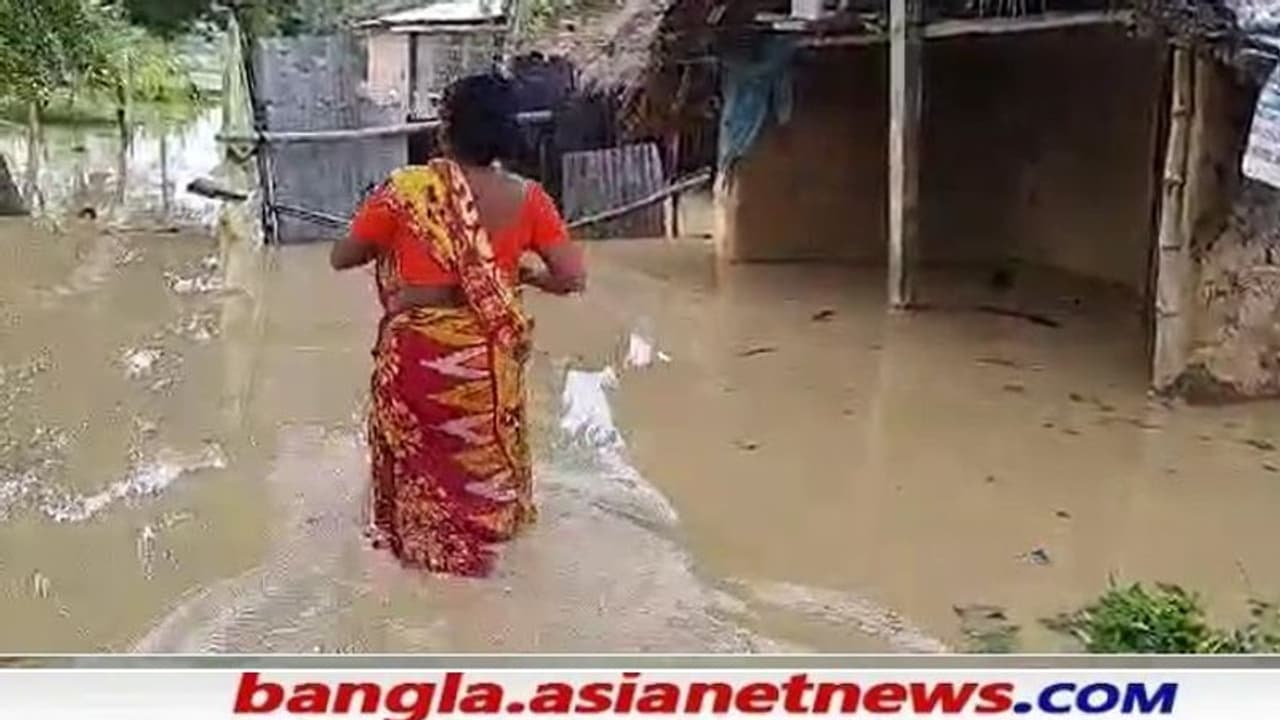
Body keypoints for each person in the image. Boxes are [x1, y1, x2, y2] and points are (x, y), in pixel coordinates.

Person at [329, 72, 586, 577]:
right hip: (487, 365)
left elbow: (343, 257)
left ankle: (414, 552)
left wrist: (394, 240)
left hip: (418, 360)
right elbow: (572, 277)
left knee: (417, 463)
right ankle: (492, 546)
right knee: (483, 462)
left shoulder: (407, 191)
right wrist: (518, 276)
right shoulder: (529, 198)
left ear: (445, 131)